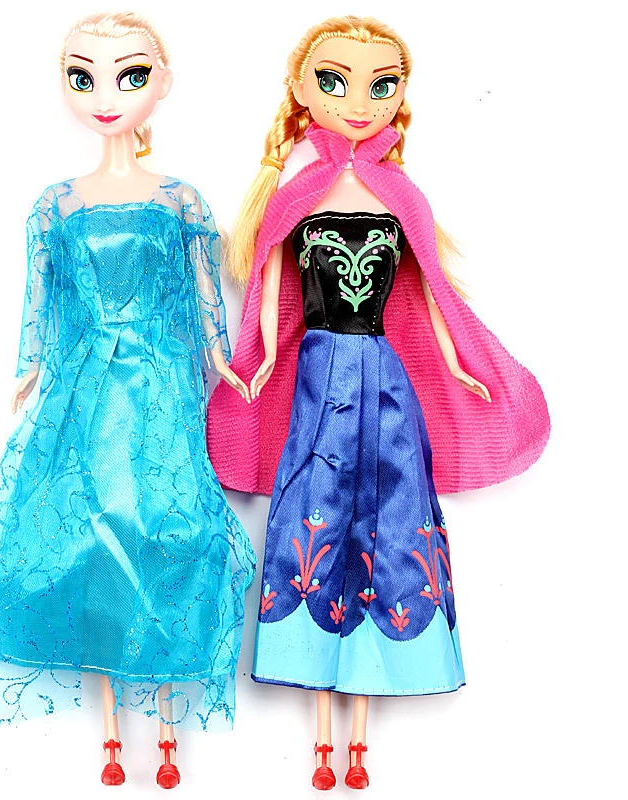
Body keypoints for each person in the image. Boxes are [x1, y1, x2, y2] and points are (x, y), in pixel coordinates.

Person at [0, 11, 255, 789]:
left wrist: (221, 360)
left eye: (130, 75)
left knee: (170, 528)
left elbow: (203, 295)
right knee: (88, 531)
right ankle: (114, 731)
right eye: (83, 77)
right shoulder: (55, 202)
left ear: (162, 83)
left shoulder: (181, 199)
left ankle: (165, 723)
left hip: (161, 381)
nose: (106, 95)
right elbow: (39, 300)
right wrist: (29, 369)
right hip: (86, 383)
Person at [206, 15, 549, 791]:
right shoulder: (295, 196)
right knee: (312, 509)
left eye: (380, 84)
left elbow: (430, 294)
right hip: (317, 375)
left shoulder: (401, 196)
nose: (359, 101)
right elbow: (270, 294)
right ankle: (322, 722)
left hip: (385, 375)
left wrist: (459, 363)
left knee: (394, 508)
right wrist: (259, 364)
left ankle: (361, 722)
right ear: (302, 89)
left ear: (399, 95)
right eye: (335, 81)